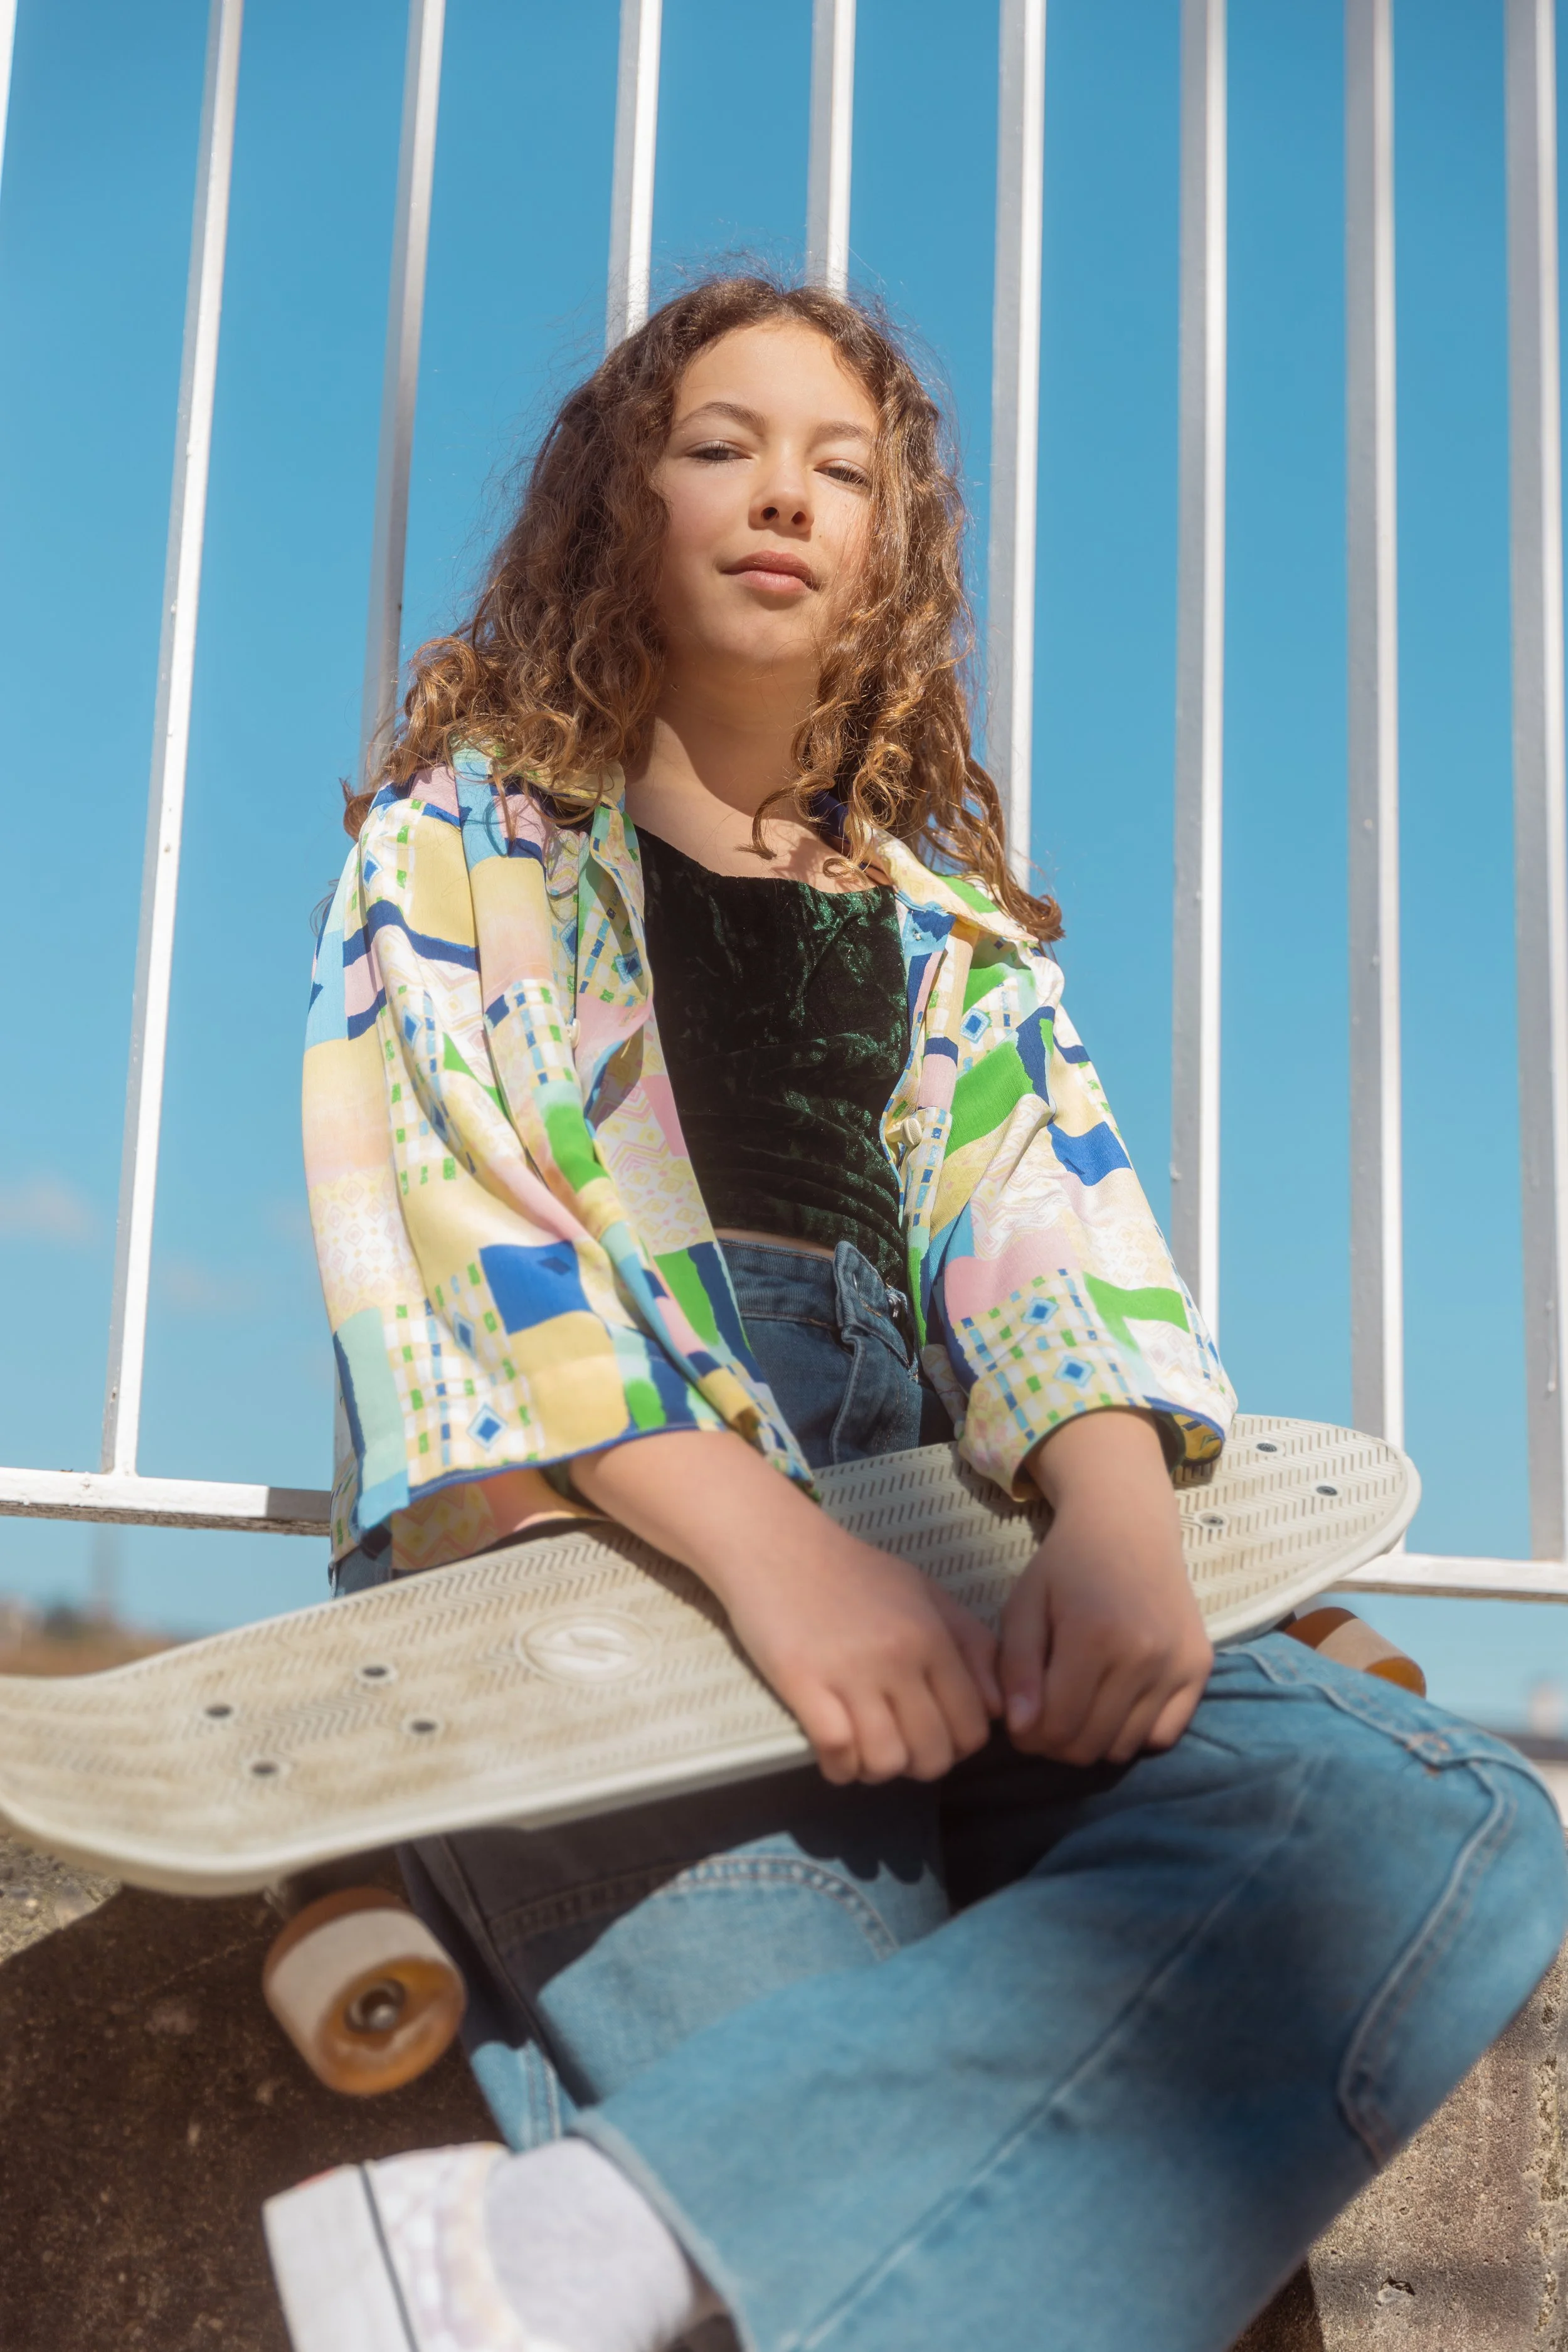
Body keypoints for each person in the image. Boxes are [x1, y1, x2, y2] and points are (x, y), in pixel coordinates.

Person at [271, 275, 1568, 2352]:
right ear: (619, 499)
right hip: (599, 1580)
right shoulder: (463, 840)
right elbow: (464, 1239)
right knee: (932, 2134)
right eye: (718, 444)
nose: (782, 490)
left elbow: (1041, 1217)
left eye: (841, 464)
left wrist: (1120, 1526)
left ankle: (543, 2261)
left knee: (1440, 1813)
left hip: (939, 1568)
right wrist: (773, 1554)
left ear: (893, 546)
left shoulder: (941, 924)